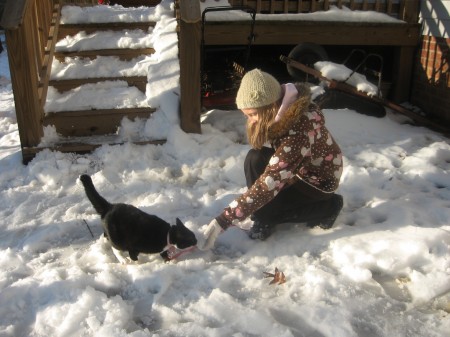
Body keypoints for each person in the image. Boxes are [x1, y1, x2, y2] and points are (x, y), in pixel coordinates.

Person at [200, 69, 343, 250]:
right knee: (255, 158)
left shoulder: (299, 130)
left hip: (317, 182)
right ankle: (265, 216)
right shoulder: (280, 112)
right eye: (246, 116)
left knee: (273, 211)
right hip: (298, 170)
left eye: (252, 114)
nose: (250, 121)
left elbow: (271, 180)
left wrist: (224, 220)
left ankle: (329, 207)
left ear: (269, 107)